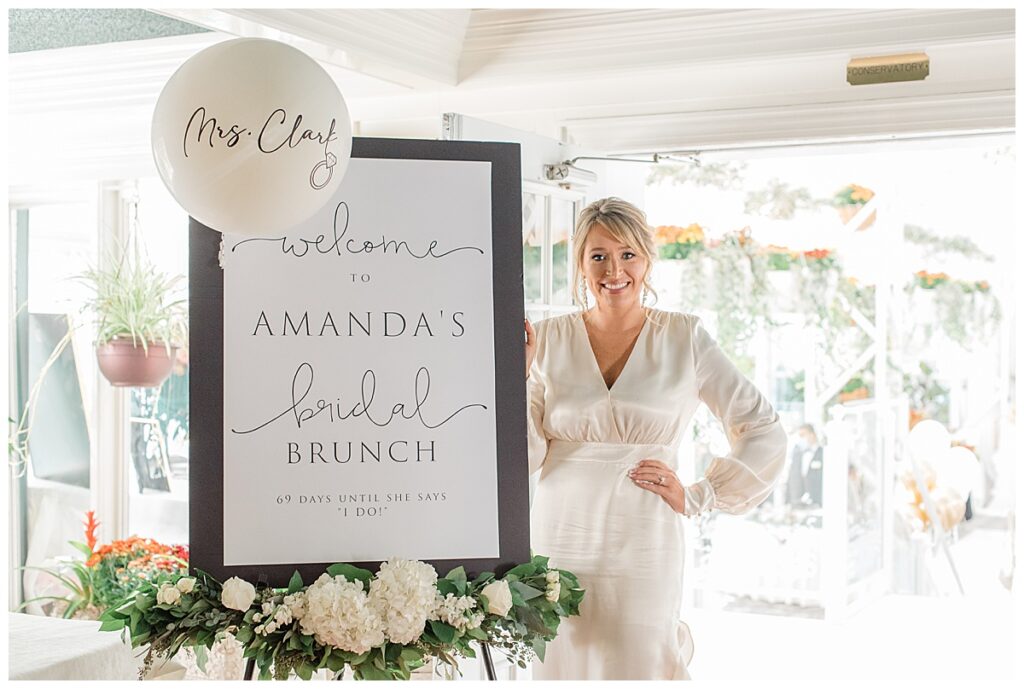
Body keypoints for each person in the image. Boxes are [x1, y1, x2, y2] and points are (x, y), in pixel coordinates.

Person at [523, 198, 787, 680]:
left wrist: (699, 495)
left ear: (647, 259)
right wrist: (516, 380)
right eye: (598, 255)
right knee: (560, 659)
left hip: (643, 538)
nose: (613, 270)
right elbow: (522, 456)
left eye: (628, 255)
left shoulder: (684, 338)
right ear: (580, 263)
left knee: (640, 658)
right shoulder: (547, 340)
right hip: (559, 535)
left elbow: (763, 428)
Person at [786, 423, 823, 508]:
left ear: (812, 435)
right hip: (798, 502)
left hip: (817, 502)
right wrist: (788, 501)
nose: (800, 439)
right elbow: (792, 478)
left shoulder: (823, 454)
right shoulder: (797, 455)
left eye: (802, 435)